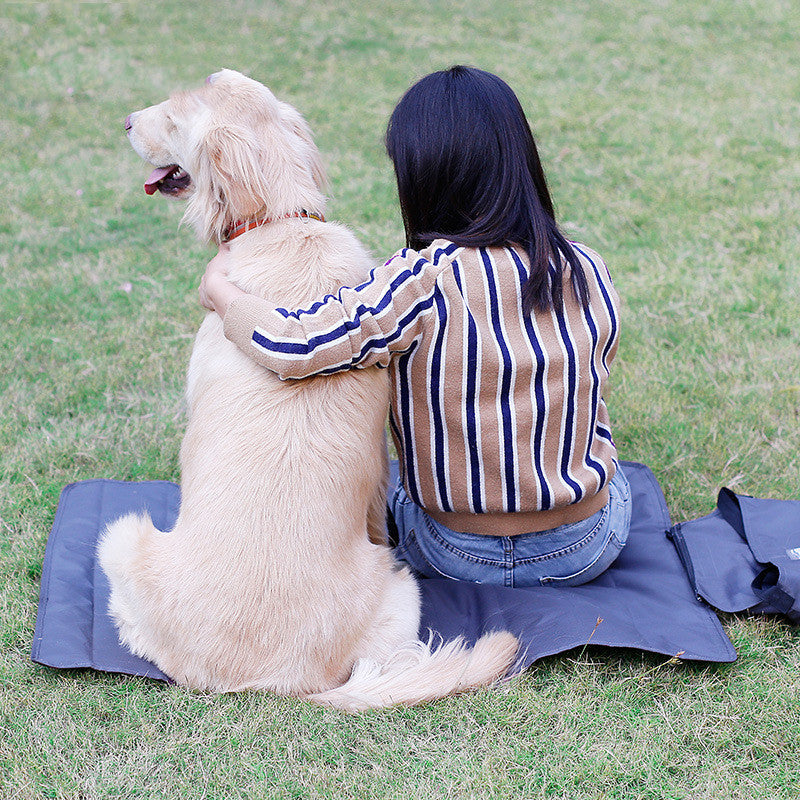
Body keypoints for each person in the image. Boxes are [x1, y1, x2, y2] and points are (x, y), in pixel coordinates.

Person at [198, 65, 631, 588]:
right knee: (615, 476)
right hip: (582, 549)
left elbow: (296, 343)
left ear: (423, 176)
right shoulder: (587, 268)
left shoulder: (417, 282)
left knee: (399, 487)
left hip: (457, 553)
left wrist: (224, 292)